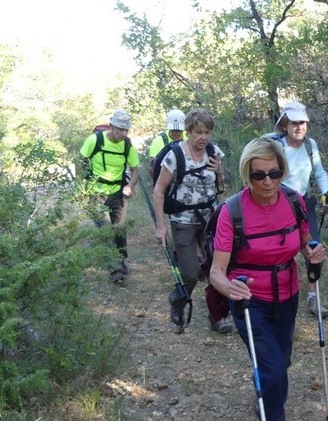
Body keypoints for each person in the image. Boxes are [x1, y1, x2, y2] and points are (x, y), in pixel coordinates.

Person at [210, 135, 326, 421]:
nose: (267, 182)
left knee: (281, 362)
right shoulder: (232, 211)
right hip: (250, 300)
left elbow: (307, 244)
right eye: (259, 175)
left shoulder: (293, 201)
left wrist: (315, 253)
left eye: (274, 174)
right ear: (247, 174)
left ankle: (266, 392)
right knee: (274, 370)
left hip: (287, 294)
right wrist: (229, 287)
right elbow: (217, 271)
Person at [152, 108, 229, 332]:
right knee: (190, 272)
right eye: (198, 132)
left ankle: (218, 316)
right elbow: (159, 191)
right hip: (182, 220)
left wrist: (220, 170)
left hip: (210, 219)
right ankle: (178, 298)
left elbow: (221, 186)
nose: (203, 137)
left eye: (207, 132)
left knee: (218, 268)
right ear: (188, 132)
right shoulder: (174, 156)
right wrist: (160, 226)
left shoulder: (214, 152)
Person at [273, 100, 328, 318]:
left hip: (304, 205)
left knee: (314, 253)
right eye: (294, 123)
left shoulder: (310, 145)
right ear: (285, 125)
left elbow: (320, 172)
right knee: (279, 254)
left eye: (303, 123)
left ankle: (313, 299)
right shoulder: (275, 147)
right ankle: (277, 298)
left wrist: (326, 192)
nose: (299, 127)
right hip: (279, 207)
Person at [79, 110, 140, 282]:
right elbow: (80, 161)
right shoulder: (95, 140)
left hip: (118, 193)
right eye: (120, 129)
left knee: (119, 229)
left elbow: (135, 170)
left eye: (126, 130)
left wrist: (130, 185)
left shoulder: (127, 145)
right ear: (111, 126)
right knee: (106, 230)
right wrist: (82, 188)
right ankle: (115, 268)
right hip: (96, 193)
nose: (123, 133)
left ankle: (121, 261)